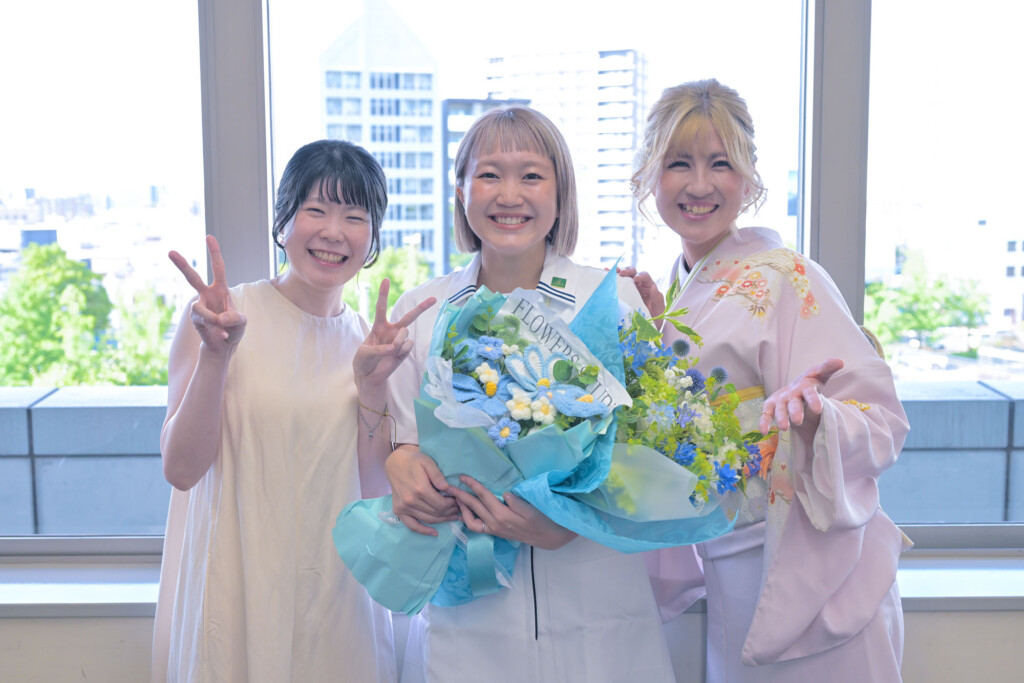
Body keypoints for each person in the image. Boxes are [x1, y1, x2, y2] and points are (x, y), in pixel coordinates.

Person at [630, 79, 911, 682]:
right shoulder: (677, 290)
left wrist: (816, 419)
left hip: (807, 566)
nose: (698, 185)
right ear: (650, 175)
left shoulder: (789, 278)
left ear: (750, 178)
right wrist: (652, 348)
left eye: (720, 164)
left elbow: (883, 420)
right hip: (729, 564)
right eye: (678, 163)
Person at [384, 106, 677, 683]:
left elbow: (650, 454)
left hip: (594, 592)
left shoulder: (612, 302)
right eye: (489, 174)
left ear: (561, 195)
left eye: (532, 176)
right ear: (461, 193)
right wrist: (403, 464)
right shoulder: (420, 312)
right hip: (472, 598)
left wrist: (566, 523)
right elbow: (402, 442)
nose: (509, 195)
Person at [152, 139, 434, 682]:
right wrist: (216, 356)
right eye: (316, 210)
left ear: (372, 238)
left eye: (355, 217)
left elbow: (374, 492)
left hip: (339, 599)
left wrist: (373, 387)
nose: (333, 232)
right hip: (237, 589)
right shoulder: (221, 317)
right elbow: (181, 469)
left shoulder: (369, 343)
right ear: (283, 221)